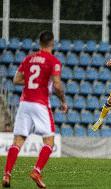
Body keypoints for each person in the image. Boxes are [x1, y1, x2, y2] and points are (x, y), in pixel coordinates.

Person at [2, 31, 67, 188]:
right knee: (49, 141)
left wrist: (33, 82)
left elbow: (16, 79)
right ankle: (36, 171)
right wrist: (63, 100)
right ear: (52, 43)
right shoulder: (53, 61)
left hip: (25, 103)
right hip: (40, 103)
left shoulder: (29, 58)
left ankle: (7, 174)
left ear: (39, 43)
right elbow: (57, 85)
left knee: (17, 141)